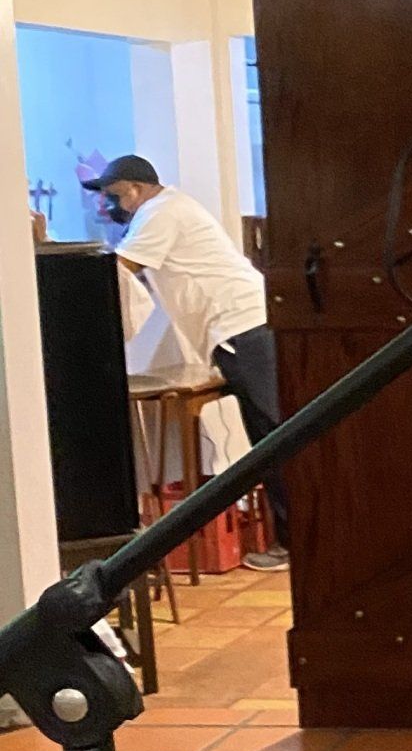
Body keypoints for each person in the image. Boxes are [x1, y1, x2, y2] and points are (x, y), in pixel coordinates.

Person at [82, 154, 287, 566]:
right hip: (245, 326)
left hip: (242, 328)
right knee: (273, 432)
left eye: (114, 196)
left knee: (276, 435)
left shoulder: (159, 213)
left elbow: (120, 269)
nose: (109, 207)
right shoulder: (167, 209)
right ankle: (294, 539)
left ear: (136, 189)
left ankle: (293, 543)